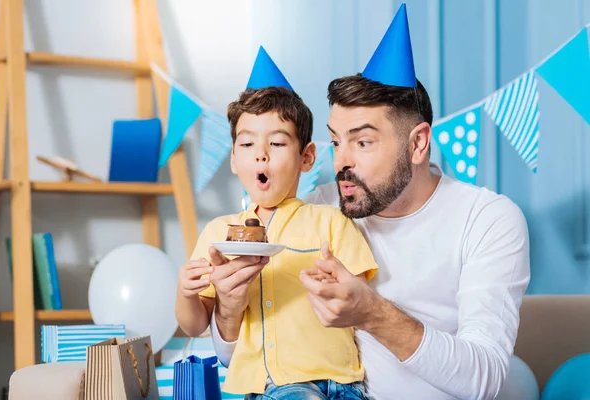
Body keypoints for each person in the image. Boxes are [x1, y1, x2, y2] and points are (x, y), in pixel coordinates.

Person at [208, 4, 531, 400]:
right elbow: (236, 356)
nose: (341, 160)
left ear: (417, 144)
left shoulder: (486, 220)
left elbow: (485, 378)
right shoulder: (316, 211)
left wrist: (372, 314)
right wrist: (228, 305)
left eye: (362, 142)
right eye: (336, 141)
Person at [175, 46, 379, 399]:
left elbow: (360, 304)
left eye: (278, 142)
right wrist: (185, 291)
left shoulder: (333, 222)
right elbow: (194, 324)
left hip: (343, 383)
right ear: (234, 160)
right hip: (273, 388)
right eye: (247, 142)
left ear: (307, 157)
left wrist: (333, 286)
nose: (261, 153)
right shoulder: (217, 236)